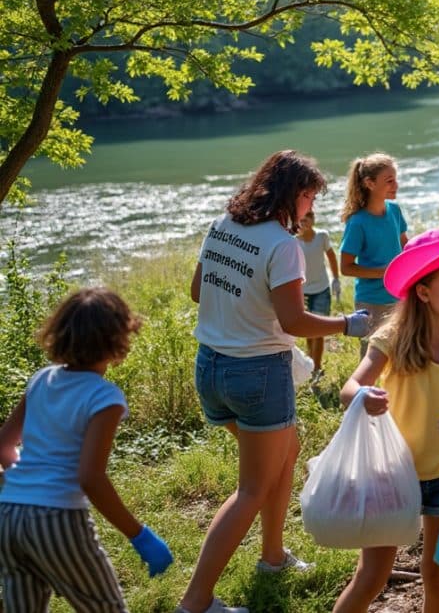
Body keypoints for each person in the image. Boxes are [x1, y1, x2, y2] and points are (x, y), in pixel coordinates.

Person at [182, 150, 370, 613]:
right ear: (292, 194)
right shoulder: (283, 245)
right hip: (257, 374)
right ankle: (195, 601)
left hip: (211, 367)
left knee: (287, 450)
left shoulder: (222, 225)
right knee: (252, 488)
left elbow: (197, 291)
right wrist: (348, 324)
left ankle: (272, 556)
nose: (311, 207)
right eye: (309, 197)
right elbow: (295, 321)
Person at [333, 228, 439, 613]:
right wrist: (363, 396)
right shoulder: (392, 337)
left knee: (437, 571)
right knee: (372, 575)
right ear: (423, 292)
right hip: (392, 472)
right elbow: (350, 387)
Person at [0, 288, 174, 612]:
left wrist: (27, 480)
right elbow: (90, 478)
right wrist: (140, 536)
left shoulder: (40, 379)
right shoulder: (104, 397)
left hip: (9, 512)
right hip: (57, 520)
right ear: (117, 341)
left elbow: (4, 445)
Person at [340, 153, 410, 352]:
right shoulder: (357, 222)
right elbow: (346, 268)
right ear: (370, 183)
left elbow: (406, 246)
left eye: (395, 179)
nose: (396, 185)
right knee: (372, 356)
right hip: (371, 302)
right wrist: (385, 272)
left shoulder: (394, 210)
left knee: (401, 353)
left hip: (400, 295)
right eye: (389, 181)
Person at [296, 210, 341, 376]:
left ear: (313, 219)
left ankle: (317, 368)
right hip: (303, 292)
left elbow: (332, 257)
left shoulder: (322, 236)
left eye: (306, 219)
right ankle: (310, 363)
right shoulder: (293, 241)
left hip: (321, 289)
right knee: (308, 330)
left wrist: (336, 279)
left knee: (319, 331)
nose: (303, 222)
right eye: (300, 220)